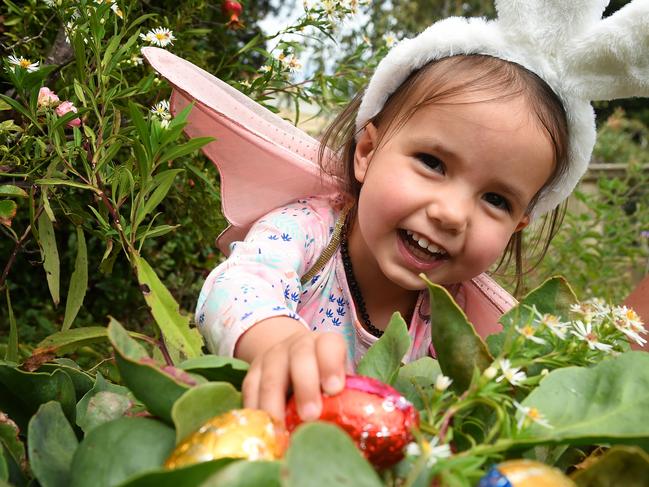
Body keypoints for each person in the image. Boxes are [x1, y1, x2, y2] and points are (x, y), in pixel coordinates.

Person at [144, 1, 649, 424]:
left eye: (496, 200)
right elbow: (234, 286)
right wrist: (275, 340)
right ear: (367, 151)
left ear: (520, 224)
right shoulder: (310, 230)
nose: (452, 213)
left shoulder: (459, 325)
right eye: (432, 163)